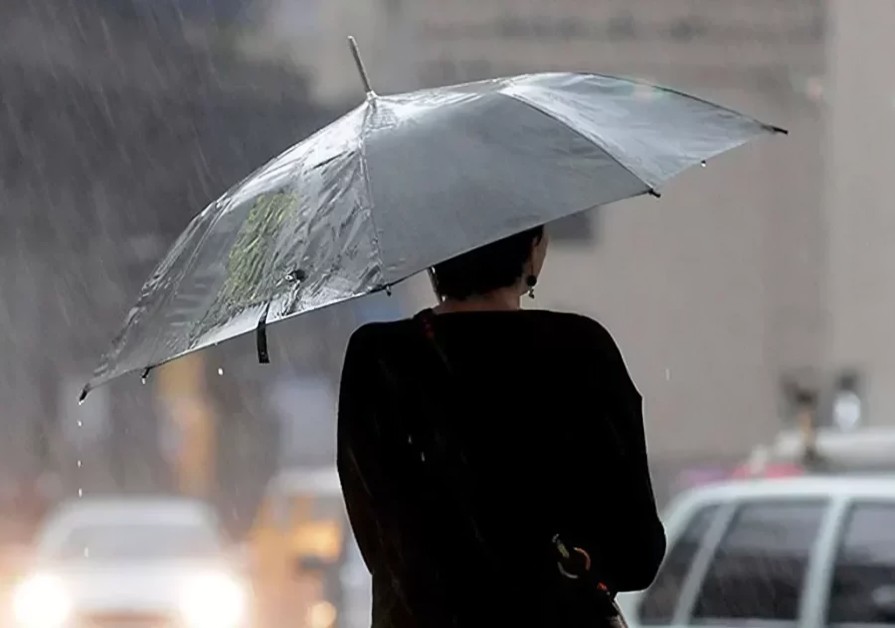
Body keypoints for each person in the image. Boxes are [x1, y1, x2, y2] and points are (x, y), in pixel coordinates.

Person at [337, 225, 666, 628]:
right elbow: (638, 555)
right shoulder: (582, 351)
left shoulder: (379, 359)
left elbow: (380, 541)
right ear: (532, 249)